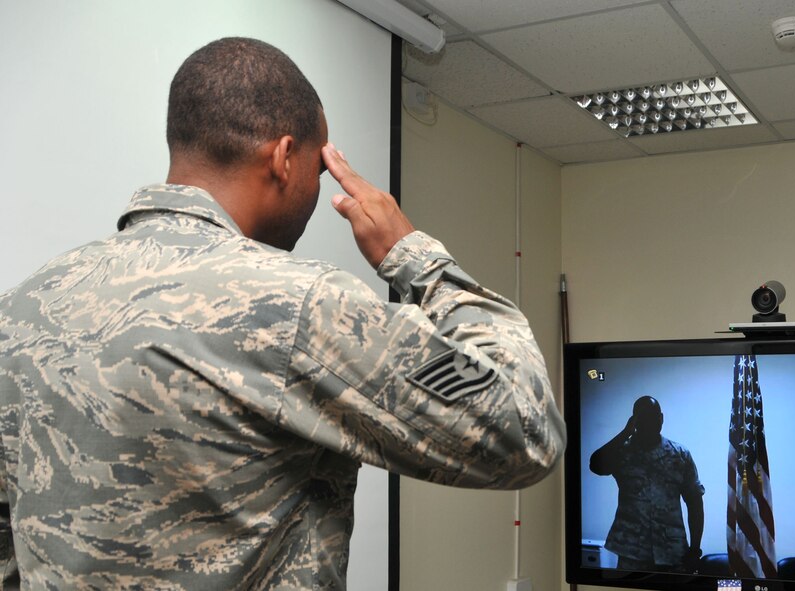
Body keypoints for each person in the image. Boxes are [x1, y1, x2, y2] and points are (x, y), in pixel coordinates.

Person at [0, 37, 566, 590]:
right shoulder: (297, 304)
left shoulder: (22, 306)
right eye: (319, 173)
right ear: (283, 157)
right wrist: (417, 260)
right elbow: (522, 429)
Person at [589, 395, 704, 573]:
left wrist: (695, 549)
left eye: (653, 417)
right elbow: (595, 465)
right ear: (635, 421)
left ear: (661, 418)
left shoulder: (680, 455)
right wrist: (625, 432)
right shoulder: (621, 453)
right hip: (631, 553)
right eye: (643, 418)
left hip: (673, 552)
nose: (649, 423)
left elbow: (695, 502)